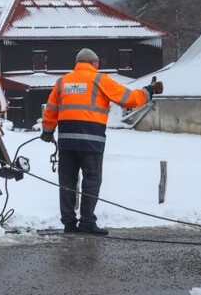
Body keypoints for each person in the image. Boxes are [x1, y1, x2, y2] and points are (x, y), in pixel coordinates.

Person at [40, 48, 162, 234]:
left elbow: (50, 109)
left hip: (67, 142)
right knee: (91, 181)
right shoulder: (100, 79)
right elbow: (128, 99)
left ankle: (69, 223)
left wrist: (48, 131)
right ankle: (87, 222)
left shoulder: (62, 82)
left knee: (67, 183)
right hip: (91, 142)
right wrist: (150, 90)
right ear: (93, 63)